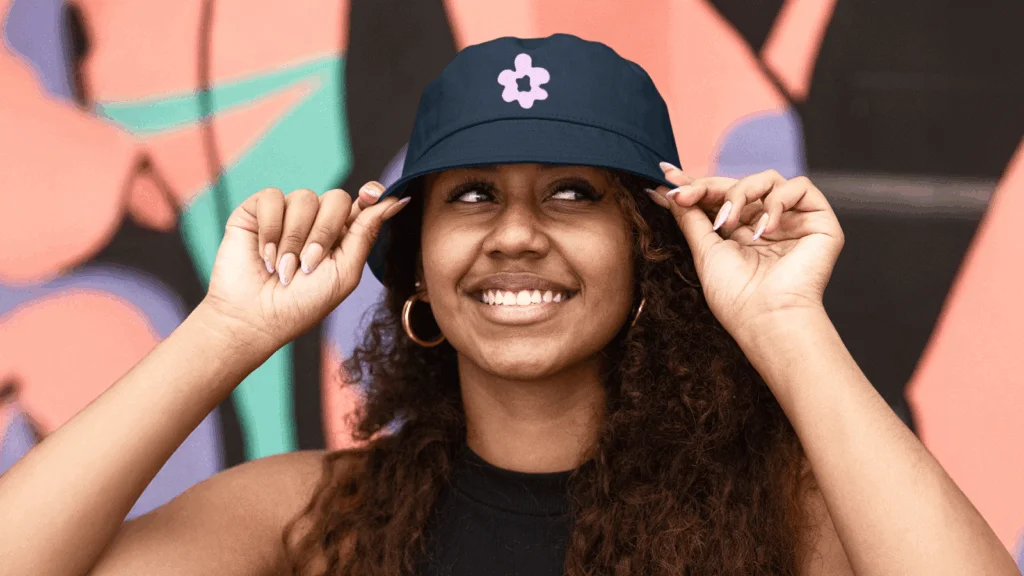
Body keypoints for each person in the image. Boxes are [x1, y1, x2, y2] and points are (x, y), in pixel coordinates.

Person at [0, 34, 1016, 576]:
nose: (516, 232)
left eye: (574, 193)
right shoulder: (312, 521)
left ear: (652, 256)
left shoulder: (786, 517)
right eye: (471, 194)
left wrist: (785, 324)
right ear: (417, 270)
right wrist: (228, 331)